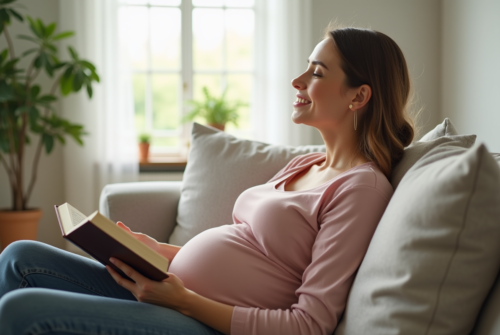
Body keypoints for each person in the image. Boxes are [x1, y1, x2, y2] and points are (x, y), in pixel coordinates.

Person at [0, 26, 414, 335]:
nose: (298, 81)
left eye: (317, 72)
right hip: (171, 295)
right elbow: (253, 251)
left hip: (202, 322)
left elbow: (310, 323)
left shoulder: (360, 189)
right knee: (18, 257)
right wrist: (157, 251)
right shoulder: (307, 163)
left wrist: (184, 301)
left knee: (19, 311)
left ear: (358, 97)